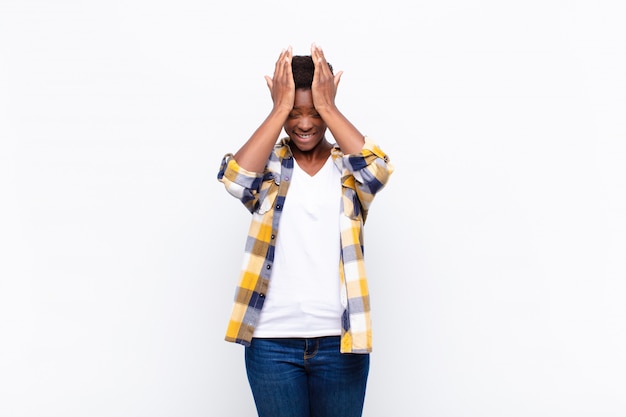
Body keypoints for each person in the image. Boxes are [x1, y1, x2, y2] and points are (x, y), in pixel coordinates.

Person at [217, 43, 393, 417]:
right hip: (271, 344)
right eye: (294, 113)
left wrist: (329, 106)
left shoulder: (347, 170)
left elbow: (378, 172)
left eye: (315, 112)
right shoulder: (271, 169)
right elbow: (235, 181)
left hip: (339, 343)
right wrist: (278, 108)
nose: (305, 123)